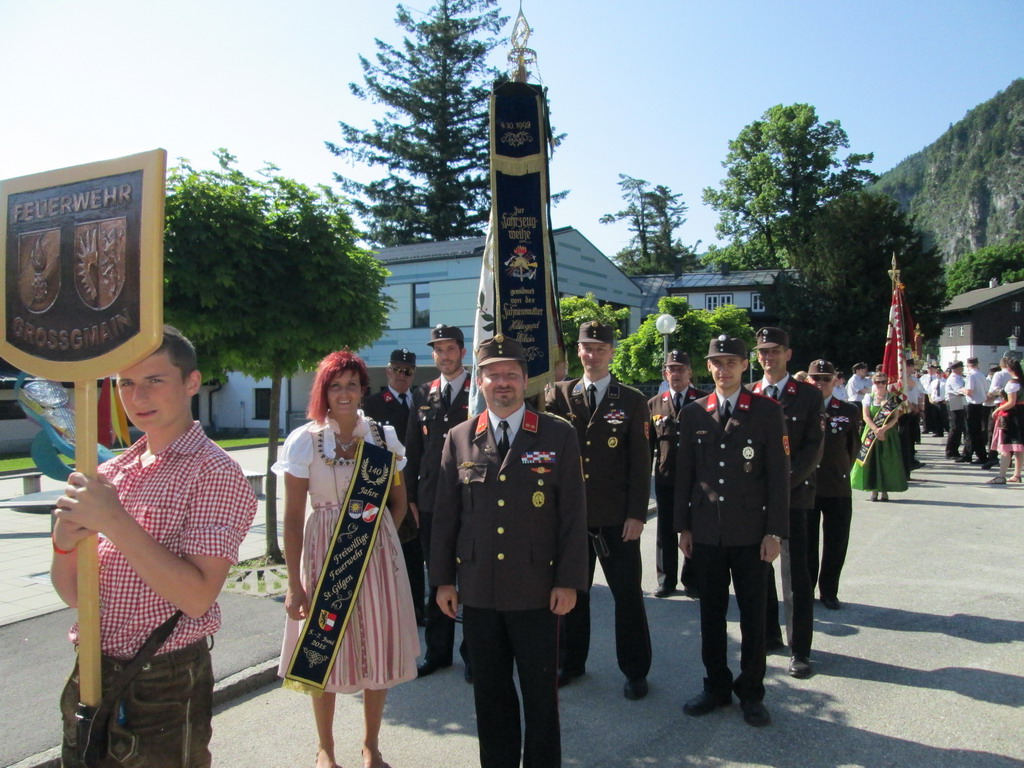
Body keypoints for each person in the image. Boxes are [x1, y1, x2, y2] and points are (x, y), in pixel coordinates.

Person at [52, 326, 258, 768]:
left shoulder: (214, 472)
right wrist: (63, 545)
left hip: (162, 679)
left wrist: (113, 520)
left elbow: (197, 596)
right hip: (92, 668)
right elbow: (76, 596)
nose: (138, 396)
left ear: (191, 382)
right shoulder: (115, 472)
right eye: (126, 382)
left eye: (155, 380)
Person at [431, 335, 588, 768]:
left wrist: (569, 581)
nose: (503, 382)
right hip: (479, 590)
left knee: (540, 696)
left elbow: (573, 516)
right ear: (480, 381)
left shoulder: (558, 434)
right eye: (493, 375)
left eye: (511, 375)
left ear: (525, 380)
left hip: (538, 590)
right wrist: (443, 580)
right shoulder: (459, 437)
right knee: (490, 696)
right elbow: (446, 517)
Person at [276, 350, 419, 768]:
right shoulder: (305, 440)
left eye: (351, 385)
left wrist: (377, 537)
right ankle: (326, 747)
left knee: (377, 646)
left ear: (362, 390)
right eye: (335, 385)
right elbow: (291, 519)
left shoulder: (382, 437)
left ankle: (371, 744)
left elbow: (398, 502)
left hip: (376, 558)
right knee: (322, 650)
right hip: (324, 555)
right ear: (323, 391)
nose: (344, 393)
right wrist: (294, 584)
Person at [676, 334, 789, 728]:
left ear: (745, 365)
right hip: (707, 533)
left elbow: (778, 476)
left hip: (751, 534)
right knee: (710, 616)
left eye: (731, 362)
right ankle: (716, 687)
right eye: (716, 362)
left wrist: (774, 531)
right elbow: (685, 475)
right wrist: (683, 526)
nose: (723, 369)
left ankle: (752, 692)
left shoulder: (766, 411)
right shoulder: (694, 413)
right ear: (708, 367)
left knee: (753, 618)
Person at [545, 320, 653, 699]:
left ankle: (635, 671)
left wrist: (636, 514)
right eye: (587, 348)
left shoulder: (632, 400)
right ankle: (570, 663)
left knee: (628, 597)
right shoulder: (558, 394)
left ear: (612, 353)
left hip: (616, 519)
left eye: (600, 349)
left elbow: (640, 463)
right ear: (578, 351)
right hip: (571, 519)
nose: (593, 355)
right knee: (572, 595)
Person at [747, 327, 823, 680]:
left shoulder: (808, 395)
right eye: (763, 351)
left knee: (796, 578)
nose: (768, 357)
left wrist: (781, 486)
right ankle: (768, 636)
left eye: (775, 350)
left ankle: (800, 650)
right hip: (755, 500)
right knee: (758, 570)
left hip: (795, 496)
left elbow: (812, 449)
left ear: (788, 354)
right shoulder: (749, 393)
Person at [405, 324, 473, 679]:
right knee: (438, 577)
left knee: (472, 578)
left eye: (450, 349)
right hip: (431, 501)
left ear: (463, 351)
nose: (444, 356)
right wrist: (410, 498)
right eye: (438, 350)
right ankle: (438, 652)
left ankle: (474, 654)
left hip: (471, 497)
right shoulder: (423, 393)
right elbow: (412, 450)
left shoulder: (479, 390)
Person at [362, 348, 425, 625]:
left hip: (419, 487)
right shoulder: (372, 404)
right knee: (389, 550)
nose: (402, 375)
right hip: (388, 490)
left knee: (416, 553)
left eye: (407, 371)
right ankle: (390, 612)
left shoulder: (423, 400)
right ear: (388, 371)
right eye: (397, 369)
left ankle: (418, 609)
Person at [649, 350, 706, 598]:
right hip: (667, 478)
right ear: (665, 374)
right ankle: (666, 579)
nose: (676, 374)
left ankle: (693, 580)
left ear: (690, 372)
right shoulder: (654, 404)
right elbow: (648, 445)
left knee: (695, 528)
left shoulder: (703, 401)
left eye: (681, 369)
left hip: (697, 479)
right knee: (666, 530)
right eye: (672, 370)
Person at [805, 360, 861, 610]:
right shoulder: (799, 409)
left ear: (835, 381)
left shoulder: (848, 410)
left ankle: (829, 591)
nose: (820, 383)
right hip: (806, 486)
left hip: (836, 486)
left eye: (825, 379)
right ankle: (805, 589)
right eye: (815, 378)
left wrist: (840, 470)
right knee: (806, 543)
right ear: (808, 380)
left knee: (836, 542)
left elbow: (853, 448)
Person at [850, 371, 908, 501]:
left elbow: (895, 418)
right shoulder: (869, 397)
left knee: (886, 461)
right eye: (877, 382)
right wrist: (876, 429)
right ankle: (873, 490)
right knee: (871, 461)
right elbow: (866, 416)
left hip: (888, 434)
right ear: (873, 382)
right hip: (871, 433)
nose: (880, 384)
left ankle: (885, 491)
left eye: (883, 382)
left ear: (886, 382)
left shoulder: (893, 398)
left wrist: (884, 429)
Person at [986, 357, 1024, 484]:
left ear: (1008, 368)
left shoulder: (1012, 383)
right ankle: (1017, 475)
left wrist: (997, 410)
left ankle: (1001, 476)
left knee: (1006, 447)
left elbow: (1011, 402)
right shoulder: (1021, 381)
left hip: (1011, 417)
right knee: (1018, 448)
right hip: (1021, 415)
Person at [959, 357, 990, 465]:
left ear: (968, 365)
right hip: (981, 405)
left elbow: (969, 392)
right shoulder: (981, 375)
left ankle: (979, 455)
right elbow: (986, 391)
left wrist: (961, 389)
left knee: (971, 432)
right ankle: (970, 454)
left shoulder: (971, 376)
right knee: (976, 431)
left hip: (972, 405)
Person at [946, 361, 968, 459]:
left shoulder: (959, 378)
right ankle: (951, 452)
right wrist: (968, 391)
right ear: (957, 369)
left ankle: (954, 451)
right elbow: (959, 390)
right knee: (955, 428)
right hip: (953, 404)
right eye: (961, 368)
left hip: (958, 404)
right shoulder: (954, 378)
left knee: (958, 428)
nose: (962, 369)